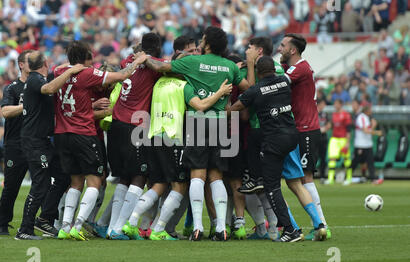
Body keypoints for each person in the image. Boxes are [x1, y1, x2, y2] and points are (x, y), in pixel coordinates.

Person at [138, 26, 250, 241]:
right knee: (216, 177)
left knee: (197, 176)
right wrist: (233, 104)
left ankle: (197, 226)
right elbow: (248, 88)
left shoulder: (192, 62)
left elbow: (161, 67)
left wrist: (145, 58)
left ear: (207, 44)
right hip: (220, 123)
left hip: (197, 122)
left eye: (203, 39)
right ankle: (220, 228)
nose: (200, 42)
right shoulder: (229, 66)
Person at [54, 41, 147, 241]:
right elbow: (122, 75)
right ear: (85, 60)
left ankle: (64, 227)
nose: (93, 62)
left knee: (75, 182)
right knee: (95, 182)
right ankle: (78, 225)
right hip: (84, 134)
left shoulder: (58, 73)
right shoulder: (86, 74)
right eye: (91, 59)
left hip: (62, 134)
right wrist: (137, 62)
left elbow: (60, 68)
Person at [122, 36, 202, 241]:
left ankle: (131, 223)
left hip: (153, 136)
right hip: (172, 137)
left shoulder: (157, 83)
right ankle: (159, 229)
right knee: (179, 186)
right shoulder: (184, 86)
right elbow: (199, 107)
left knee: (158, 184)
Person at [228, 56, 303, 243]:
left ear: (259, 73)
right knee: (274, 180)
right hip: (292, 136)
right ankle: (259, 179)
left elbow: (235, 108)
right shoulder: (284, 80)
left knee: (271, 187)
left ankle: (290, 229)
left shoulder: (255, 90)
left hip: (274, 140)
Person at [14, 51, 86, 240]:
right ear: (45, 63)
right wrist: (69, 72)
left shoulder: (38, 78)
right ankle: (24, 230)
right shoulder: (36, 79)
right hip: (35, 141)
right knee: (40, 184)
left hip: (43, 141)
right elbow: (49, 89)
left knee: (62, 176)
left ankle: (45, 218)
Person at [106, 33, 166, 240]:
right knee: (140, 175)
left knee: (124, 176)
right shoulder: (155, 64)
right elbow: (164, 67)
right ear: (158, 47)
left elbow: (132, 62)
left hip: (117, 123)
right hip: (135, 125)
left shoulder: (127, 61)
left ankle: (112, 227)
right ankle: (118, 229)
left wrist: (140, 56)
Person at [278, 33, 331, 239]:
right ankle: (319, 224)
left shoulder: (299, 67)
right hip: (298, 129)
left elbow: (278, 82)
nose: (279, 48)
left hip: (307, 129)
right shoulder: (292, 67)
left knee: (305, 176)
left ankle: (322, 225)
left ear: (292, 50)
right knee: (298, 178)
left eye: (283, 45)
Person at [0, 49, 32, 235]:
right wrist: (25, 107)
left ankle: (38, 222)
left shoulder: (39, 86)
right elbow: (5, 112)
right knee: (11, 187)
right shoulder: (12, 88)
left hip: (35, 143)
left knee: (44, 185)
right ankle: (3, 224)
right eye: (30, 61)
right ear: (21, 65)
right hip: (14, 144)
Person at [347, 105, 384, 185]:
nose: (371, 111)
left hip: (368, 144)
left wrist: (373, 125)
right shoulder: (362, 117)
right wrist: (377, 132)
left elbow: (369, 129)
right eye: (370, 110)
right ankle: (347, 176)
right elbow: (365, 130)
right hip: (360, 144)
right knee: (356, 161)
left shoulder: (367, 118)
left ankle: (372, 179)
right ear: (366, 110)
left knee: (370, 162)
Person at [326, 99, 353, 185]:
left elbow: (349, 130)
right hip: (334, 139)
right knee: (332, 159)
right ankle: (330, 179)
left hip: (343, 139)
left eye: (336, 104)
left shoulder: (346, 115)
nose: (335, 105)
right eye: (334, 104)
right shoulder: (333, 114)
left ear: (341, 104)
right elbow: (330, 126)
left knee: (346, 159)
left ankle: (349, 178)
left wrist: (348, 142)